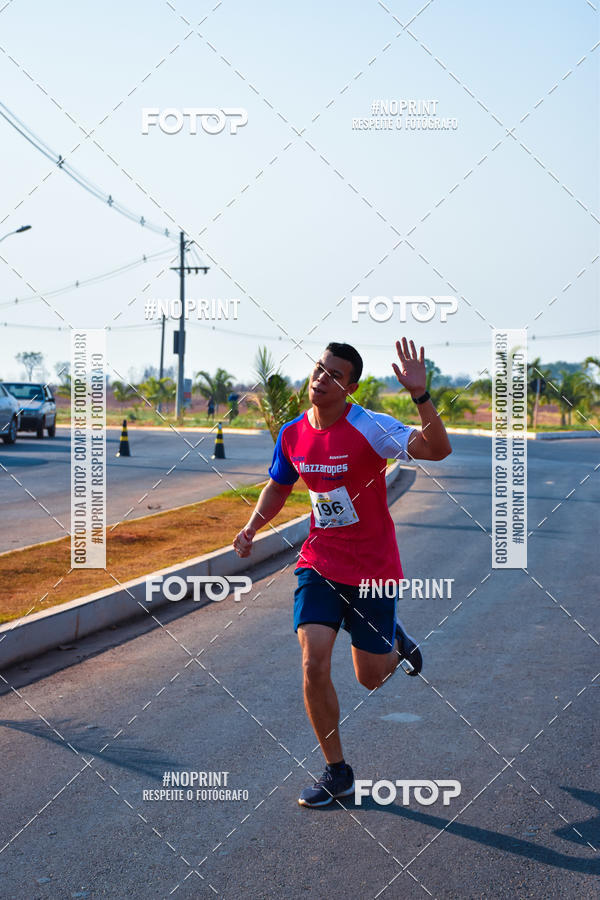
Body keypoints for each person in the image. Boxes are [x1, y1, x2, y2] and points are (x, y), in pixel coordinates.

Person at [233, 338, 451, 808]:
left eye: (333, 374)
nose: (320, 379)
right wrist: (251, 528)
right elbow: (278, 486)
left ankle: (394, 642)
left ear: (350, 387)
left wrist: (420, 395)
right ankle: (338, 772)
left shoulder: (370, 428)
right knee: (313, 662)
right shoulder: (292, 433)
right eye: (318, 368)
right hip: (320, 562)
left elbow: (438, 449)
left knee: (370, 678)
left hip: (373, 569)